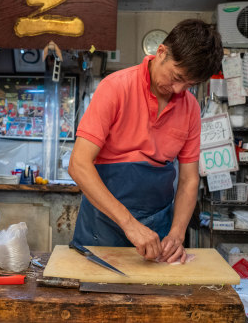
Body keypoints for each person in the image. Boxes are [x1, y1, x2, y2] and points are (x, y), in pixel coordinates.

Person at [68, 19, 223, 264]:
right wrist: (130, 224)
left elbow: (189, 179)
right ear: (161, 52)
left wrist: (177, 233)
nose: (179, 90)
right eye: (176, 77)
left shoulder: (191, 108)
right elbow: (78, 164)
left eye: (189, 84)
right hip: (102, 225)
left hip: (156, 229)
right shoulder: (115, 88)